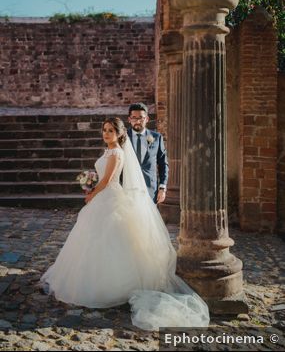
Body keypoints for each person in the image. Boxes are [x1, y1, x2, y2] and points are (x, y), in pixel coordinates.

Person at [40, 117, 209, 330]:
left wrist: (92, 193)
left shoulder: (117, 153)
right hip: (104, 197)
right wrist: (91, 181)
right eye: (104, 130)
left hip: (108, 197)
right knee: (92, 240)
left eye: (111, 130)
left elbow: (109, 179)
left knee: (108, 239)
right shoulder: (108, 151)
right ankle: (89, 280)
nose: (106, 133)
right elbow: (103, 175)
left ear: (120, 134)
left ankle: (110, 286)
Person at [128, 102, 168, 204]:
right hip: (128, 189)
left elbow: (163, 164)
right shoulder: (122, 137)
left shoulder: (157, 137)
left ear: (147, 119)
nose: (137, 121)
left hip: (150, 190)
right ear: (129, 119)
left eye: (141, 118)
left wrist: (162, 188)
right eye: (134, 118)